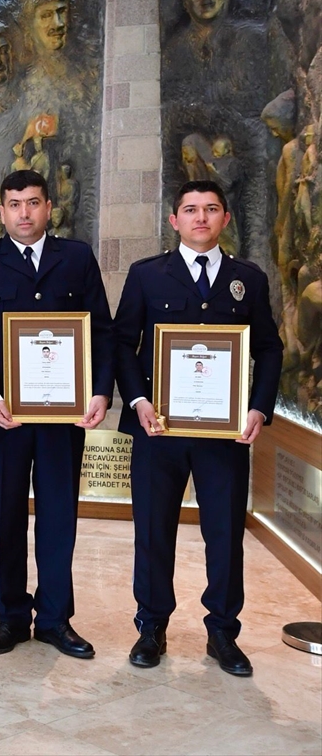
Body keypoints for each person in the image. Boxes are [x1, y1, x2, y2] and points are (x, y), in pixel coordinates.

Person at [114, 180, 282, 677]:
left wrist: (258, 408)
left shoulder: (247, 278)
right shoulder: (148, 275)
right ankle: (151, 626)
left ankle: (223, 633)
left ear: (225, 219)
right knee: (153, 529)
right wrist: (140, 400)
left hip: (224, 435)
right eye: (190, 210)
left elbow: (269, 348)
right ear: (174, 220)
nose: (200, 217)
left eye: (211, 209)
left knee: (226, 533)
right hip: (158, 430)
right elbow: (124, 342)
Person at [0, 169, 113, 659]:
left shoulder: (77, 258)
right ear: (1, 212)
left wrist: (100, 392)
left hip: (64, 418)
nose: (24, 212)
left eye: (33, 203)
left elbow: (102, 331)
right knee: (6, 516)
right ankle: (10, 618)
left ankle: (56, 619)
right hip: (5, 418)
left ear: (49, 208)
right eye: (15, 204)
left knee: (60, 516)